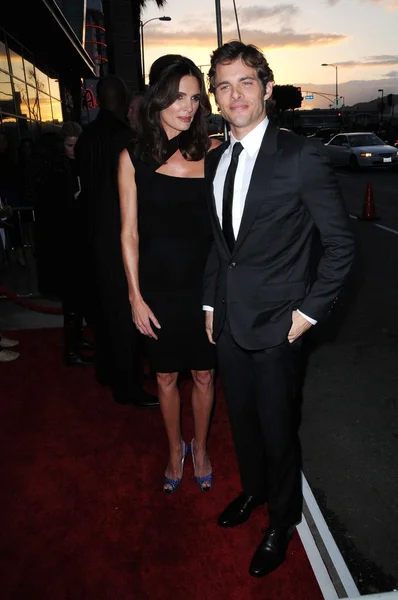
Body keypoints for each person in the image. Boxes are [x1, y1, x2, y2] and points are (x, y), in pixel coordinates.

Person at [203, 41, 355, 577]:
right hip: (229, 323)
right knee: (242, 424)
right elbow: (222, 247)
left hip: (280, 327)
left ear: (267, 88)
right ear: (215, 97)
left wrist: (307, 315)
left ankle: (281, 519)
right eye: (224, 85)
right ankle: (254, 491)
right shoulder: (216, 159)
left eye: (246, 82)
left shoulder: (300, 155)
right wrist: (208, 302)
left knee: (277, 428)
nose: (235, 93)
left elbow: (340, 245)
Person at [119, 55, 220, 493]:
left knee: (203, 374)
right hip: (158, 289)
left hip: (204, 288)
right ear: (157, 96)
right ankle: (174, 446)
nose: (188, 106)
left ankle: (200, 448)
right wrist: (134, 297)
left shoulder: (214, 154)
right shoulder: (133, 157)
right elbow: (129, 233)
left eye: (195, 98)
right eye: (178, 96)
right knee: (163, 377)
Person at [75, 76, 158, 408]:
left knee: (105, 308)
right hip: (122, 235)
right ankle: (128, 386)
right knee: (126, 313)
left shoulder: (85, 140)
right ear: (123, 100)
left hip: (93, 235)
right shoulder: (126, 140)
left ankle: (107, 371)